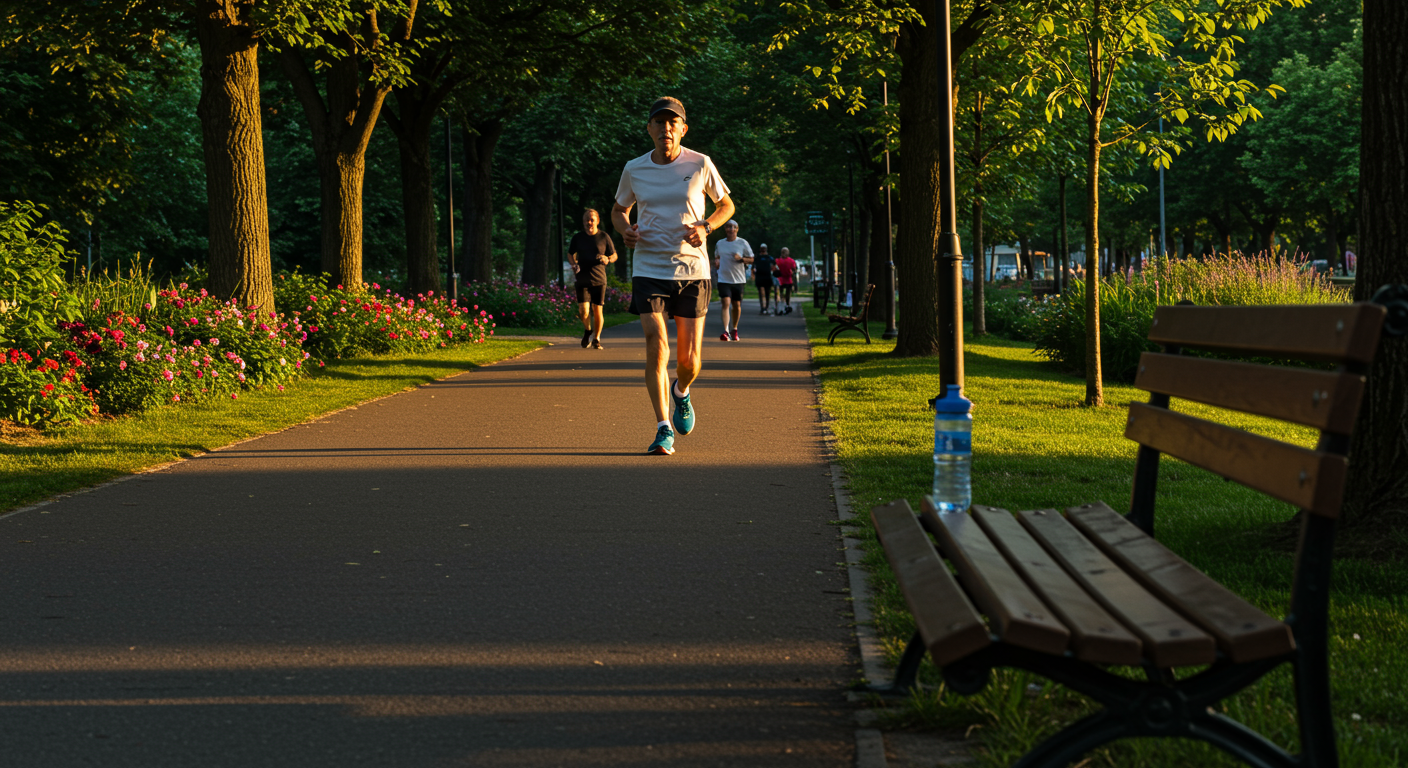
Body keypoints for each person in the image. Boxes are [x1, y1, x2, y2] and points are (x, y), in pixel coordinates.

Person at [612, 96, 734, 455]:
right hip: (648, 267)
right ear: (649, 128)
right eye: (659, 123)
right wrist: (625, 230)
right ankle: (662, 428)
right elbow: (620, 209)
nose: (666, 128)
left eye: (673, 123)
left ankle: (681, 391)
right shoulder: (634, 168)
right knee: (655, 342)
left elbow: (725, 204)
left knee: (688, 361)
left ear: (683, 129)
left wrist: (707, 226)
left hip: (692, 269)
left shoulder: (700, 163)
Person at [567, 208, 618, 348]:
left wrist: (607, 258)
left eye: (591, 220)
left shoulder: (604, 237)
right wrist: (573, 265)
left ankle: (596, 338)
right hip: (582, 278)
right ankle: (588, 330)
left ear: (597, 221)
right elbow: (570, 254)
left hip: (599, 279)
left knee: (597, 310)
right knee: (583, 311)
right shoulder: (578, 237)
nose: (589, 223)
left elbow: (614, 255)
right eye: (586, 220)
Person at [710, 220, 753, 341]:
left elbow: (751, 259)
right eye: (728, 227)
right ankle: (726, 331)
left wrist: (741, 259)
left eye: (733, 227)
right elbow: (717, 256)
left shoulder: (742, 243)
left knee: (736, 305)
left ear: (737, 229)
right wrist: (717, 261)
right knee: (725, 302)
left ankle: (734, 329)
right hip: (723, 278)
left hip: (738, 279)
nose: (731, 229)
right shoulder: (720, 243)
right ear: (725, 229)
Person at [753, 243, 776, 315]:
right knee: (761, 293)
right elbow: (753, 267)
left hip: (767, 277)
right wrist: (753, 274)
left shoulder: (769, 258)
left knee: (767, 293)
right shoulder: (757, 258)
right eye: (762, 248)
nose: (763, 249)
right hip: (759, 277)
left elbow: (774, 266)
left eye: (764, 248)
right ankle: (762, 307)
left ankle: (766, 307)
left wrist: (772, 271)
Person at [774, 246, 797, 314]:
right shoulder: (780, 260)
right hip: (783, 279)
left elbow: (794, 270)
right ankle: (784, 305)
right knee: (783, 293)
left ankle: (785, 305)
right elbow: (794, 270)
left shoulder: (780, 260)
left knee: (785, 293)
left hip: (786, 279)